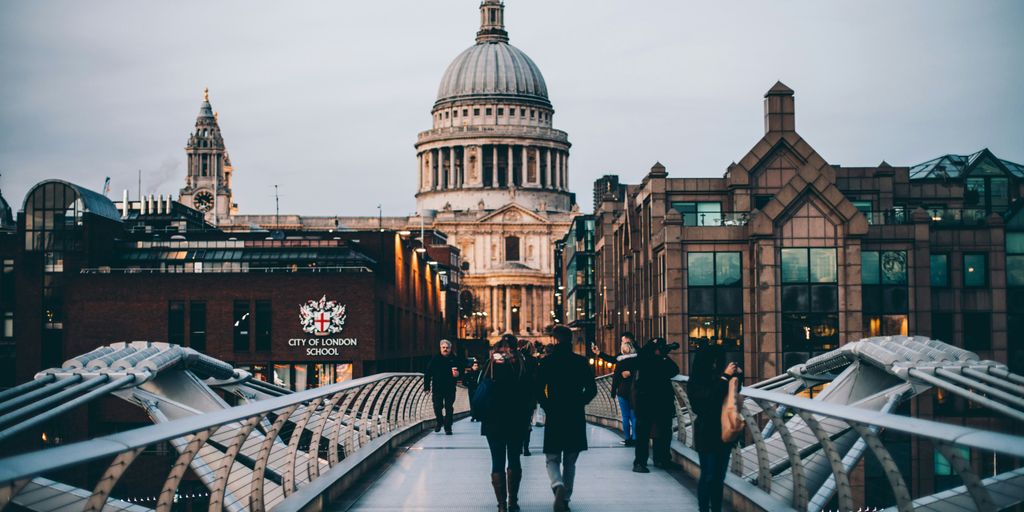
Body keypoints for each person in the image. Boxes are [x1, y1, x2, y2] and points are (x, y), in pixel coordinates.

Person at [536, 325, 597, 511]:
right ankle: (566, 499)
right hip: (575, 415)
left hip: (555, 414)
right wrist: (580, 402)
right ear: (570, 339)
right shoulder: (580, 362)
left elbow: (538, 389)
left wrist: (548, 406)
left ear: (554, 340)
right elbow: (592, 390)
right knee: (570, 460)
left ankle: (557, 485)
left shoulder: (547, 362)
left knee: (552, 458)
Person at [480, 334, 534, 512]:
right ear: (515, 348)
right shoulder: (521, 366)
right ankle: (513, 502)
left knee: (497, 461)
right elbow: (529, 396)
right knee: (514, 460)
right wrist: (527, 419)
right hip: (516, 421)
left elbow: (480, 391)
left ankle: (501, 505)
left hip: (493, 421)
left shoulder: (490, 366)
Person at [688, 345, 741, 512]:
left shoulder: (719, 377)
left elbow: (733, 394)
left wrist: (737, 375)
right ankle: (704, 509)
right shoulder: (696, 381)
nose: (715, 365)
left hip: (723, 433)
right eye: (712, 362)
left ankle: (716, 509)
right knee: (708, 475)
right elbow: (707, 400)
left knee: (719, 478)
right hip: (706, 432)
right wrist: (725, 377)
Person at [631, 337, 681, 473]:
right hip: (647, 401)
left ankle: (661, 459)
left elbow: (674, 370)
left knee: (663, 431)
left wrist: (663, 357)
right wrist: (661, 357)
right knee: (644, 433)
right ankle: (641, 462)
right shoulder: (644, 359)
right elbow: (671, 370)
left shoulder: (658, 359)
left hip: (659, 401)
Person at [591, 333, 639, 446]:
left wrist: (613, 392)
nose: (621, 343)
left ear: (628, 342)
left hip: (622, 391)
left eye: (623, 341)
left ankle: (627, 439)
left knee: (625, 416)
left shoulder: (620, 361)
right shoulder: (638, 358)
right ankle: (635, 438)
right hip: (634, 390)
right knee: (633, 416)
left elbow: (615, 372)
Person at [424, 339, 461, 435]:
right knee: (437, 406)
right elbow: (428, 373)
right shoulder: (435, 359)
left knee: (449, 407)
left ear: (450, 348)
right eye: (443, 347)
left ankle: (448, 427)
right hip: (437, 388)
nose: (445, 349)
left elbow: (461, 371)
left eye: (447, 348)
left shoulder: (455, 359)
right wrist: (426, 387)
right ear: (440, 348)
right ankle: (439, 422)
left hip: (450, 388)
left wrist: (458, 375)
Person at [518, 339, 539, 456]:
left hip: (515, 397)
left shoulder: (514, 360)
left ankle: (518, 445)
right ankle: (526, 447)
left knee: (517, 422)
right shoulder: (533, 360)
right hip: (529, 396)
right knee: (527, 422)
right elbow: (537, 379)